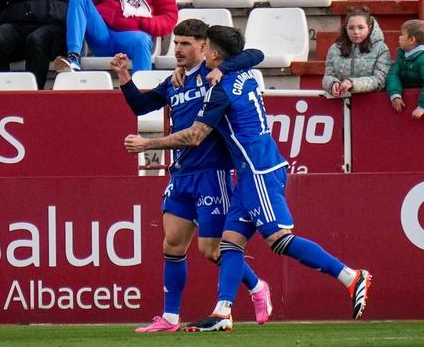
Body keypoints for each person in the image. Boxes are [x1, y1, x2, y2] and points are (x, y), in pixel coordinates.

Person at [124, 25, 372, 331]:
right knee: (229, 245)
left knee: (279, 241)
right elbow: (253, 55)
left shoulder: (220, 88)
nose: (179, 49)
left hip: (259, 171)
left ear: (210, 52)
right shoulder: (244, 74)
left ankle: (350, 275)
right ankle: (222, 312)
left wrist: (147, 144)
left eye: (188, 44)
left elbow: (196, 135)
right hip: (245, 173)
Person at [112, 19, 271, 333]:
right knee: (172, 245)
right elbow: (141, 107)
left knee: (211, 249)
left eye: (186, 43)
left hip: (212, 174)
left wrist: (223, 69)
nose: (178, 49)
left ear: (204, 47)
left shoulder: (216, 76)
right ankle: (170, 319)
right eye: (176, 43)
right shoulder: (174, 81)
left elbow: (255, 54)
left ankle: (256, 286)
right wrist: (124, 78)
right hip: (182, 174)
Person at [53, 0, 177, 73]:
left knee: (142, 40)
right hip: (102, 36)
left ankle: (141, 89)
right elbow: (88, 9)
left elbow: (169, 17)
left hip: (130, 38)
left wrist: (142, 22)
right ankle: (73, 58)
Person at [323, 7, 391, 97]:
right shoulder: (335, 48)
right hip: (340, 103)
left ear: (369, 28)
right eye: (351, 28)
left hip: (369, 104)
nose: (356, 32)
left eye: (361, 27)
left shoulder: (381, 49)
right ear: (346, 28)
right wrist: (332, 84)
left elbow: (380, 80)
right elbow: (328, 76)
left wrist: (353, 83)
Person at [386, 19, 424, 119]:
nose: (399, 37)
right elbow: (393, 75)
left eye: (402, 34)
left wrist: (422, 106)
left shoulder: (422, 59)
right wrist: (395, 94)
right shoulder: (402, 56)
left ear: (411, 40)